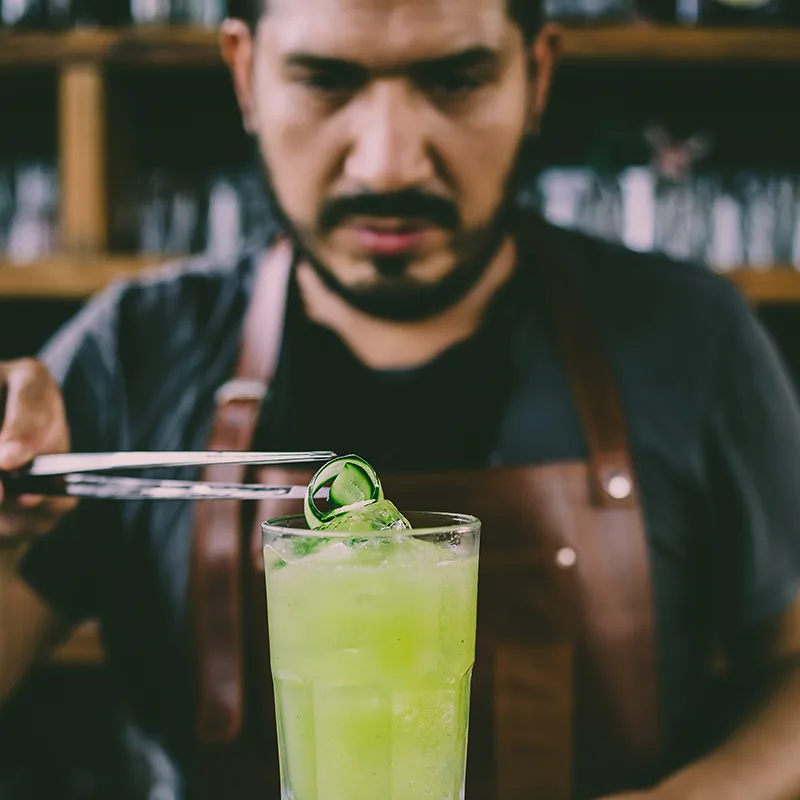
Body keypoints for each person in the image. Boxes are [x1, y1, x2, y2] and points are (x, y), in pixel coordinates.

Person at [3, 0, 800, 797]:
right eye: (324, 81)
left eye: (456, 80)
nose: (387, 164)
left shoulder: (695, 338)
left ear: (538, 73)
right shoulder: (131, 349)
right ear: (245, 73)